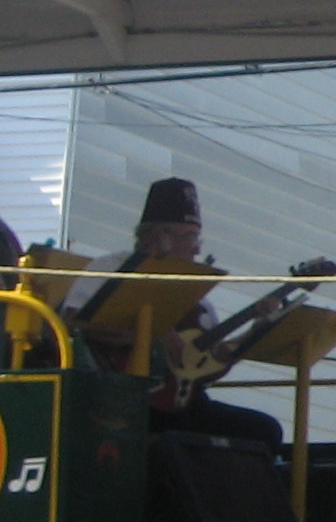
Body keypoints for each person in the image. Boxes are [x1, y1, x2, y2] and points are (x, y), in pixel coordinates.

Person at [70, 178, 286, 447]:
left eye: (196, 237)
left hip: (182, 404)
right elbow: (72, 324)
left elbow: (205, 369)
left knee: (265, 431)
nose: (197, 248)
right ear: (157, 236)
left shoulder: (197, 296)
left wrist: (253, 334)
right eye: (189, 236)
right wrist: (150, 336)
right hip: (115, 395)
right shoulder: (109, 269)